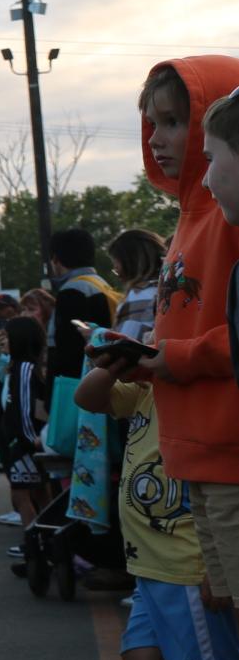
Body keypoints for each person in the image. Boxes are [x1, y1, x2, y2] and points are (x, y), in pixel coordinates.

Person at [76, 333, 239, 660]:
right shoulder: (145, 390)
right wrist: (116, 362)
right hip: (149, 564)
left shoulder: (199, 395)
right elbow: (88, 397)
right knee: (139, 657)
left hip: (188, 561)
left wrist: (219, 569)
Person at [135, 60, 239, 615]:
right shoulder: (191, 214)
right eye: (151, 124)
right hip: (197, 457)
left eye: (174, 122)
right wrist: (144, 356)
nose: (156, 140)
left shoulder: (230, 211)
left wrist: (172, 356)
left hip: (229, 453)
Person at [0, 317, 54, 536]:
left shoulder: (23, 369)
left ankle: (35, 544)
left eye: (7, 338)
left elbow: (25, 408)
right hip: (30, 442)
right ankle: (49, 541)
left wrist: (30, 440)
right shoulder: (27, 367)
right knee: (42, 495)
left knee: (22, 497)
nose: (4, 343)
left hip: (26, 444)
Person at [49, 229, 120, 383]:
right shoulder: (101, 284)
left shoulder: (71, 290)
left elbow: (67, 345)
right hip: (103, 375)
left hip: (77, 380)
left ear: (55, 259)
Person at [109, 228, 168, 341]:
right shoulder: (166, 288)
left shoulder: (139, 294)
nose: (118, 275)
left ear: (130, 264)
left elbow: (126, 343)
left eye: (117, 269)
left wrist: (96, 335)